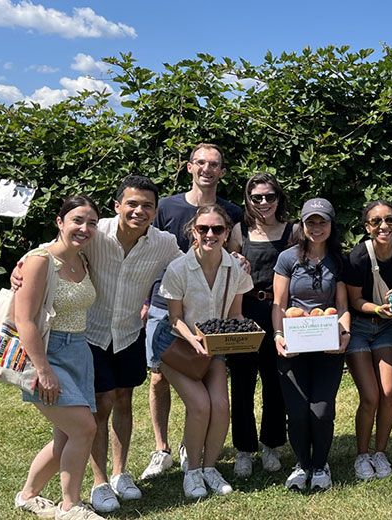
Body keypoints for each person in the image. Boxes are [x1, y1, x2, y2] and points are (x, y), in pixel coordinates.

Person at [10, 177, 184, 512]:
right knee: (95, 412)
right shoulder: (94, 231)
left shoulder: (164, 243)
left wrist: (235, 260)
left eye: (147, 206)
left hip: (129, 332)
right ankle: (97, 483)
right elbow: (49, 252)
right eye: (132, 203)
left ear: (155, 211)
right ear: (118, 206)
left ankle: (118, 474)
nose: (139, 211)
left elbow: (190, 265)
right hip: (90, 336)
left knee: (122, 401)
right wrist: (20, 269)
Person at [140, 143, 244, 481]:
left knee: (205, 389)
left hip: (208, 311)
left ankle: (193, 447)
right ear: (189, 167)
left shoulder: (231, 211)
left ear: (222, 172)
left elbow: (234, 254)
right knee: (159, 378)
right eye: (200, 162)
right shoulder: (167, 206)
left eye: (213, 164)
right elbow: (145, 251)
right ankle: (162, 449)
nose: (206, 169)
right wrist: (144, 299)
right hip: (166, 304)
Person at [150, 204, 253, 498]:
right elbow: (175, 318)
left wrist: (247, 332)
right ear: (193, 232)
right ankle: (192, 471)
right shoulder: (178, 268)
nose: (210, 234)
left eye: (217, 229)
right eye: (203, 228)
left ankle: (210, 468)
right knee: (199, 405)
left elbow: (234, 315)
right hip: (174, 344)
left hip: (212, 345)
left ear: (227, 233)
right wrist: (194, 339)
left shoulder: (236, 269)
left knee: (220, 406)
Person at [13, 195, 104, 520]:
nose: (84, 228)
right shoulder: (39, 260)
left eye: (91, 223)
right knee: (84, 429)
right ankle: (70, 506)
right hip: (47, 352)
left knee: (66, 435)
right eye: (77, 220)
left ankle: (27, 496)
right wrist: (43, 369)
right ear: (60, 222)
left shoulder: (83, 259)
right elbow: (24, 320)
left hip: (80, 352)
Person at [272, 198, 351, 491]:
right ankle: (301, 464)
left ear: (331, 225)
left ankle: (320, 465)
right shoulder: (287, 258)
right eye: (311, 222)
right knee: (297, 412)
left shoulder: (338, 260)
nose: (316, 227)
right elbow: (279, 304)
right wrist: (278, 336)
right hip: (293, 344)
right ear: (302, 225)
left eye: (322, 222)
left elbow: (342, 307)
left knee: (321, 411)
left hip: (327, 345)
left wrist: (344, 334)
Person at [226, 173, 292, 478]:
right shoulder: (239, 230)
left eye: (269, 196)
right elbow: (226, 267)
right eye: (256, 197)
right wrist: (233, 255)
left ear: (278, 198)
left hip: (278, 311)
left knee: (275, 381)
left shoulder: (292, 231)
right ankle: (243, 449)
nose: (263, 202)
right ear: (248, 200)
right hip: (245, 310)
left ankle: (272, 445)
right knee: (242, 383)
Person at [342, 200, 392, 480]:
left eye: (390, 220)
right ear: (367, 226)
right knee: (370, 396)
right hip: (360, 326)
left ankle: (380, 453)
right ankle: (362, 455)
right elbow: (355, 300)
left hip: (386, 328)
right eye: (376, 221)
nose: (384, 226)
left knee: (388, 393)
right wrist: (378, 309)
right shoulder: (357, 257)